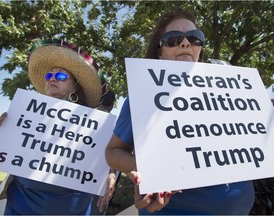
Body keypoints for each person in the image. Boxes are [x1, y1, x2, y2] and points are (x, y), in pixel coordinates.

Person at [105, 8, 255, 215]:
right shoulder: (142, 97)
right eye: (173, 39)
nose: (185, 44)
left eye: (194, 38)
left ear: (200, 49)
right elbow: (112, 153)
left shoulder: (230, 92)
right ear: (160, 51)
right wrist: (152, 168)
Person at [0, 38, 116, 215]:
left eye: (60, 76)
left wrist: (110, 174)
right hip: (21, 205)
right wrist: (7, 132)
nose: (52, 79)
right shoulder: (26, 113)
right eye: (49, 75)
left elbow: (103, 152)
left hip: (71, 207)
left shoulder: (93, 122)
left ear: (75, 87)